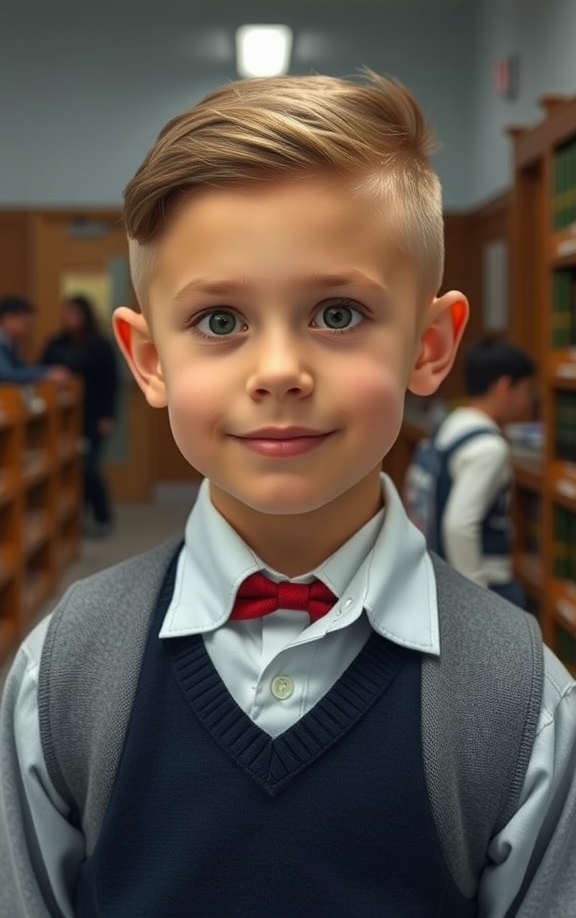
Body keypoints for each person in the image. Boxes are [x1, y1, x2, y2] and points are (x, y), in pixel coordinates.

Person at [1, 72, 575, 917]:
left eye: (338, 314)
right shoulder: (65, 670)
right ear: (150, 359)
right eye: (221, 321)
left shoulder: (524, 699)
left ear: (430, 343)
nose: (277, 372)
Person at [429, 338, 536, 606]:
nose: (527, 401)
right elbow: (459, 526)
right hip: (486, 581)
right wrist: (476, 600)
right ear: (503, 387)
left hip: (439, 571)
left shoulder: (451, 424)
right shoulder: (489, 448)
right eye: (526, 390)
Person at [40, 295, 119, 537]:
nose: (67, 318)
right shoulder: (55, 343)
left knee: (88, 469)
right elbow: (41, 371)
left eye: (72, 314)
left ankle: (102, 516)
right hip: (60, 421)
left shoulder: (100, 345)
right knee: (66, 471)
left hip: (92, 417)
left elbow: (111, 383)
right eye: (65, 313)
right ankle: (73, 521)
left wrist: (108, 416)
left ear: (84, 317)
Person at [0, 294, 70, 386]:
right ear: (9, 318)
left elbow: (21, 369)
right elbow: (6, 374)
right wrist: (45, 374)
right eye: (25, 323)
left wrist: (47, 370)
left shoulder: (12, 343)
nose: (27, 329)